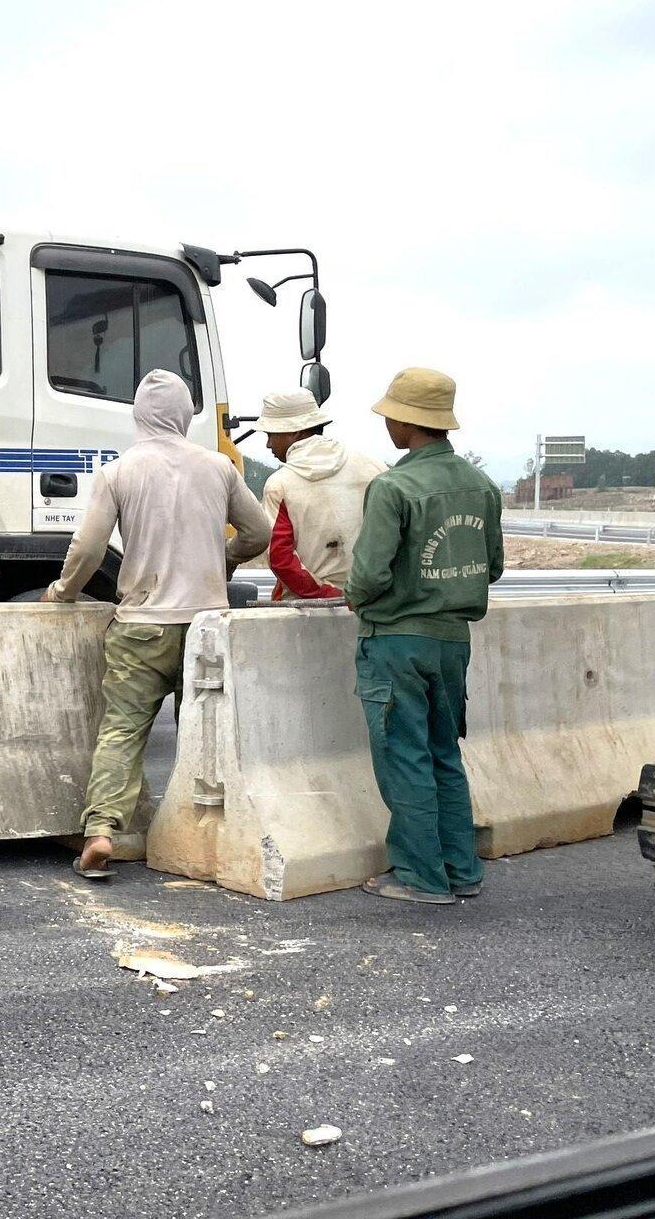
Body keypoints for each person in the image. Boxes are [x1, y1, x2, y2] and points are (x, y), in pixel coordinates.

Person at [42, 369, 270, 879]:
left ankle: (102, 831)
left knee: (122, 730)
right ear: (187, 415)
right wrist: (224, 559)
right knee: (204, 734)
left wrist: (63, 591)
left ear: (139, 416)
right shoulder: (219, 468)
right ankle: (200, 836)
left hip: (142, 625)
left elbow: (88, 547)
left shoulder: (119, 472)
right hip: (207, 625)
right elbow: (258, 533)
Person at [344, 367, 505, 906]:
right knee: (443, 754)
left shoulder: (392, 486)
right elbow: (494, 566)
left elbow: (368, 575)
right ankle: (462, 870)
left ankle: (420, 876)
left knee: (404, 755)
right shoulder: (481, 485)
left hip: (395, 642)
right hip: (453, 640)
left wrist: (358, 600)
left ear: (407, 422)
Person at [256, 386, 386, 600]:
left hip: (304, 610)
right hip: (372, 602)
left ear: (294, 431)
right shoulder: (375, 467)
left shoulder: (279, 484)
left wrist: (328, 594)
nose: (269, 444)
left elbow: (280, 558)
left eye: (271, 434)